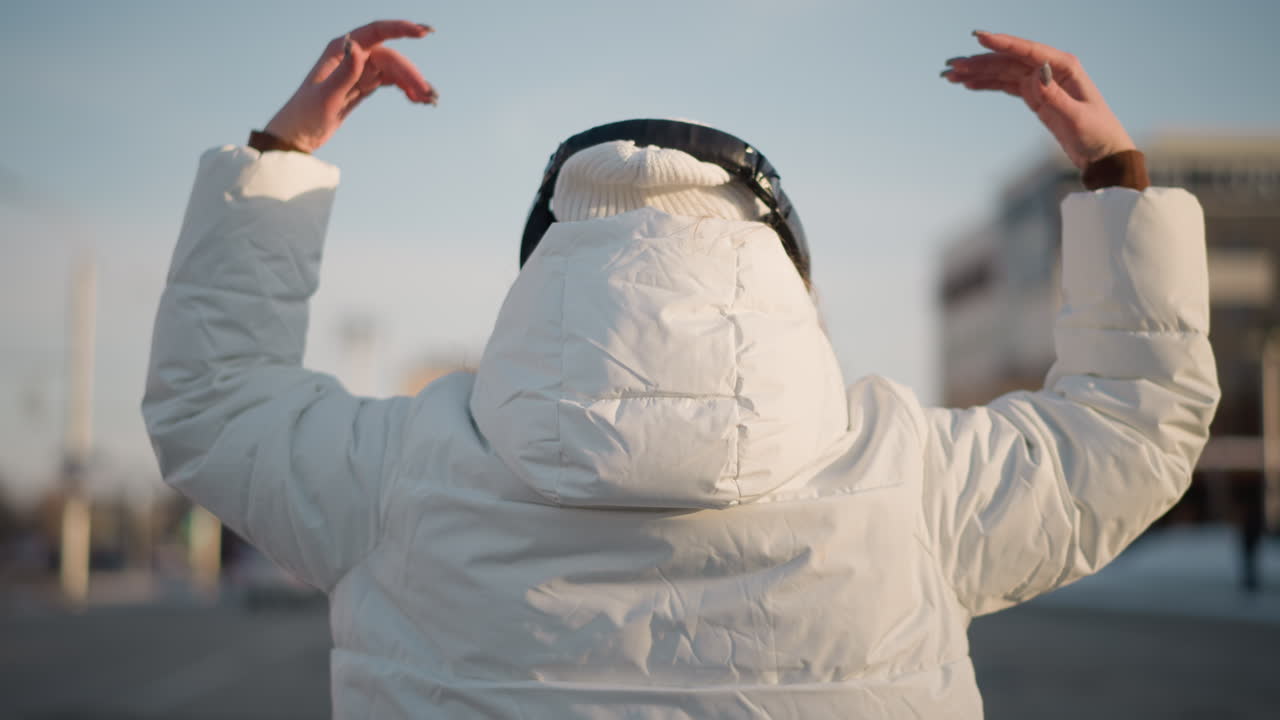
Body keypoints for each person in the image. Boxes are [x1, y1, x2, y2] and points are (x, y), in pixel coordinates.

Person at [142, 19, 1219, 719]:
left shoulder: (401, 476)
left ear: (544, 275)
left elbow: (214, 401)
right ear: (785, 284)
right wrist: (1110, 176)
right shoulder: (906, 483)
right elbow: (1133, 424)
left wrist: (282, 156)